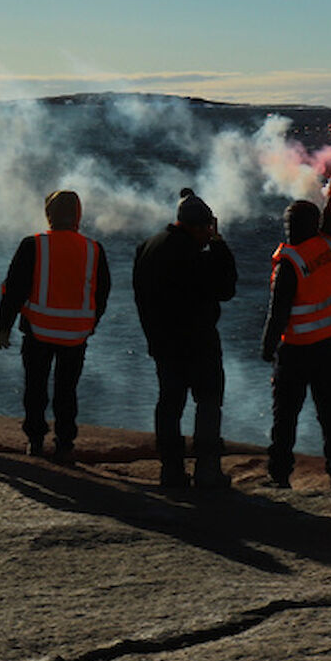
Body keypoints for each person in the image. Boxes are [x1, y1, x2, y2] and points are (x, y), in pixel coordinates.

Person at [133, 189, 237, 489]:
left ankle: (171, 471)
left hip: (163, 344)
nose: (209, 234)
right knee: (208, 403)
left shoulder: (148, 247)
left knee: (169, 406)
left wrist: (152, 337)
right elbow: (226, 288)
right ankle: (207, 470)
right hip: (198, 343)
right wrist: (219, 244)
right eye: (207, 229)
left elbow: (141, 296)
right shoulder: (194, 255)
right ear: (198, 226)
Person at [262, 153, 331, 490]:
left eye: (290, 225)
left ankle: (279, 476)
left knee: (284, 416)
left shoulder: (290, 262)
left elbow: (278, 312)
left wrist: (266, 346)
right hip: (329, 346)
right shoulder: (328, 244)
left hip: (296, 352)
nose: (287, 230)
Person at [0, 190, 110, 463]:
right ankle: (65, 443)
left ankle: (35, 440)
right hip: (76, 335)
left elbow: (14, 290)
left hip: (38, 330)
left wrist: (4, 326)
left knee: (35, 388)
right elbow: (102, 292)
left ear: (49, 215)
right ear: (78, 216)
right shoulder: (93, 249)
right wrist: (91, 323)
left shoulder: (33, 245)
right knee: (67, 391)